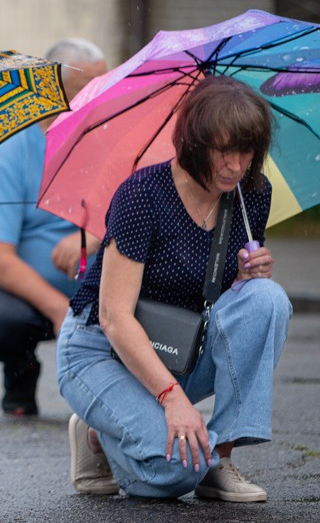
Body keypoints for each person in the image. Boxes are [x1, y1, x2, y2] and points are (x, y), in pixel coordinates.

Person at [57, 75, 291, 500]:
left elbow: (226, 311)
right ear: (194, 142)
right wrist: (171, 399)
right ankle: (100, 436)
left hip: (180, 345)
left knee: (266, 299)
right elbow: (113, 316)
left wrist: (244, 278)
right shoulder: (142, 195)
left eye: (246, 151)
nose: (235, 166)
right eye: (223, 150)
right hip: (100, 350)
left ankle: (221, 456)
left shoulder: (251, 194)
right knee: (179, 471)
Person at [0, 39, 109, 416]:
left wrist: (93, 235)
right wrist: (60, 309)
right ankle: (21, 370)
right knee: (2, 323)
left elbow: (136, 215)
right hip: (28, 292)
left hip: (98, 277)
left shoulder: (109, 143)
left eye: (105, 84)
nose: (101, 96)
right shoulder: (8, 154)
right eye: (88, 88)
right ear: (52, 90)